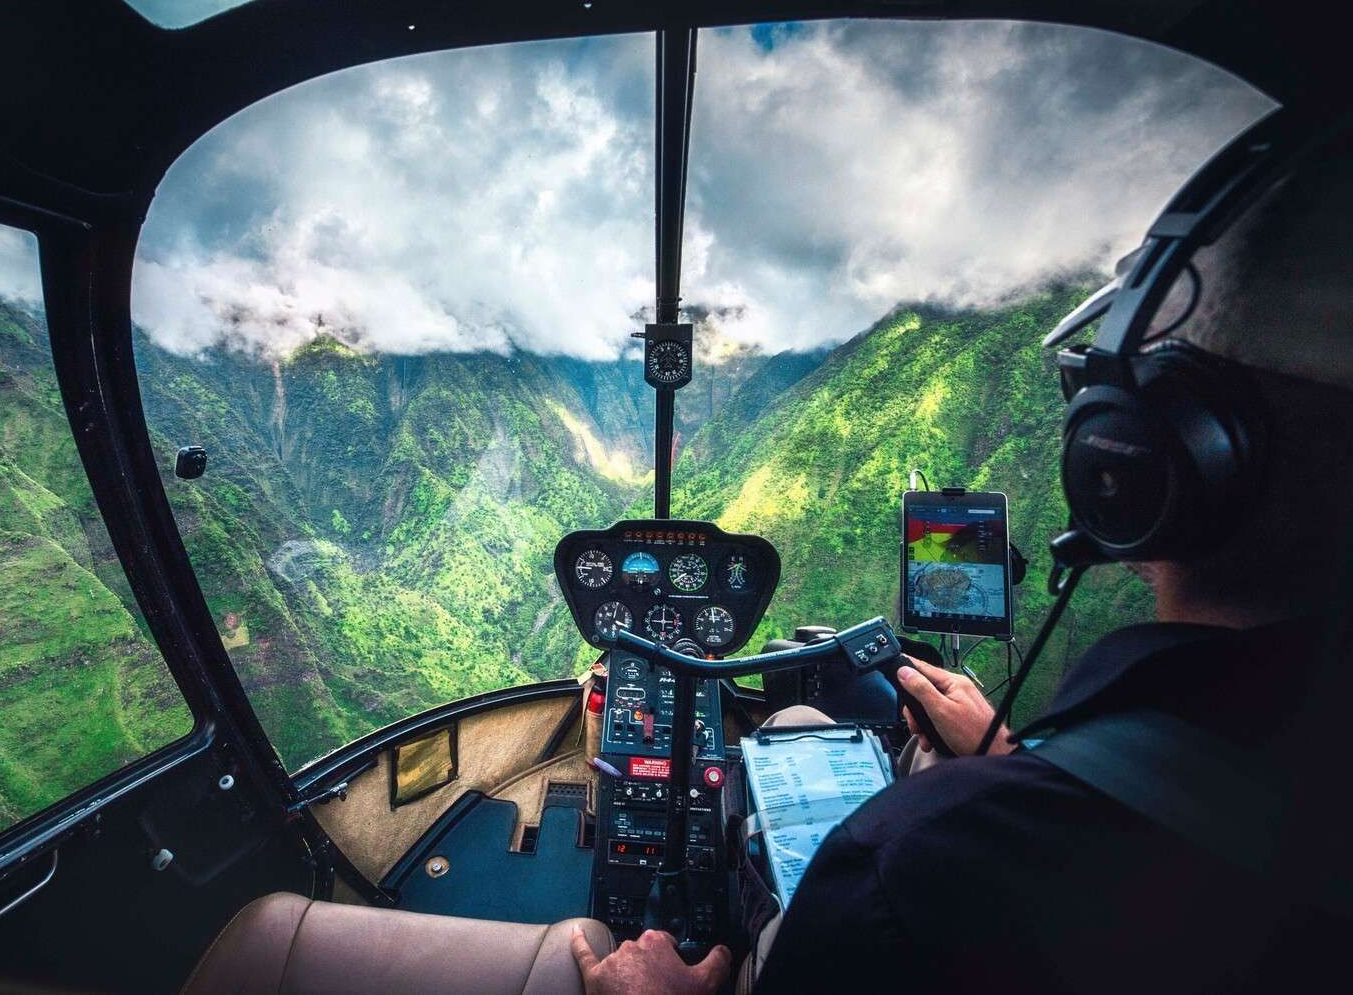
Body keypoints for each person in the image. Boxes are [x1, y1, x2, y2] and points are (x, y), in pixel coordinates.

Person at [571, 129, 1353, 994]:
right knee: (796, 730)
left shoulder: (907, 865)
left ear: (1132, 462)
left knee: (789, 742)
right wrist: (1004, 752)